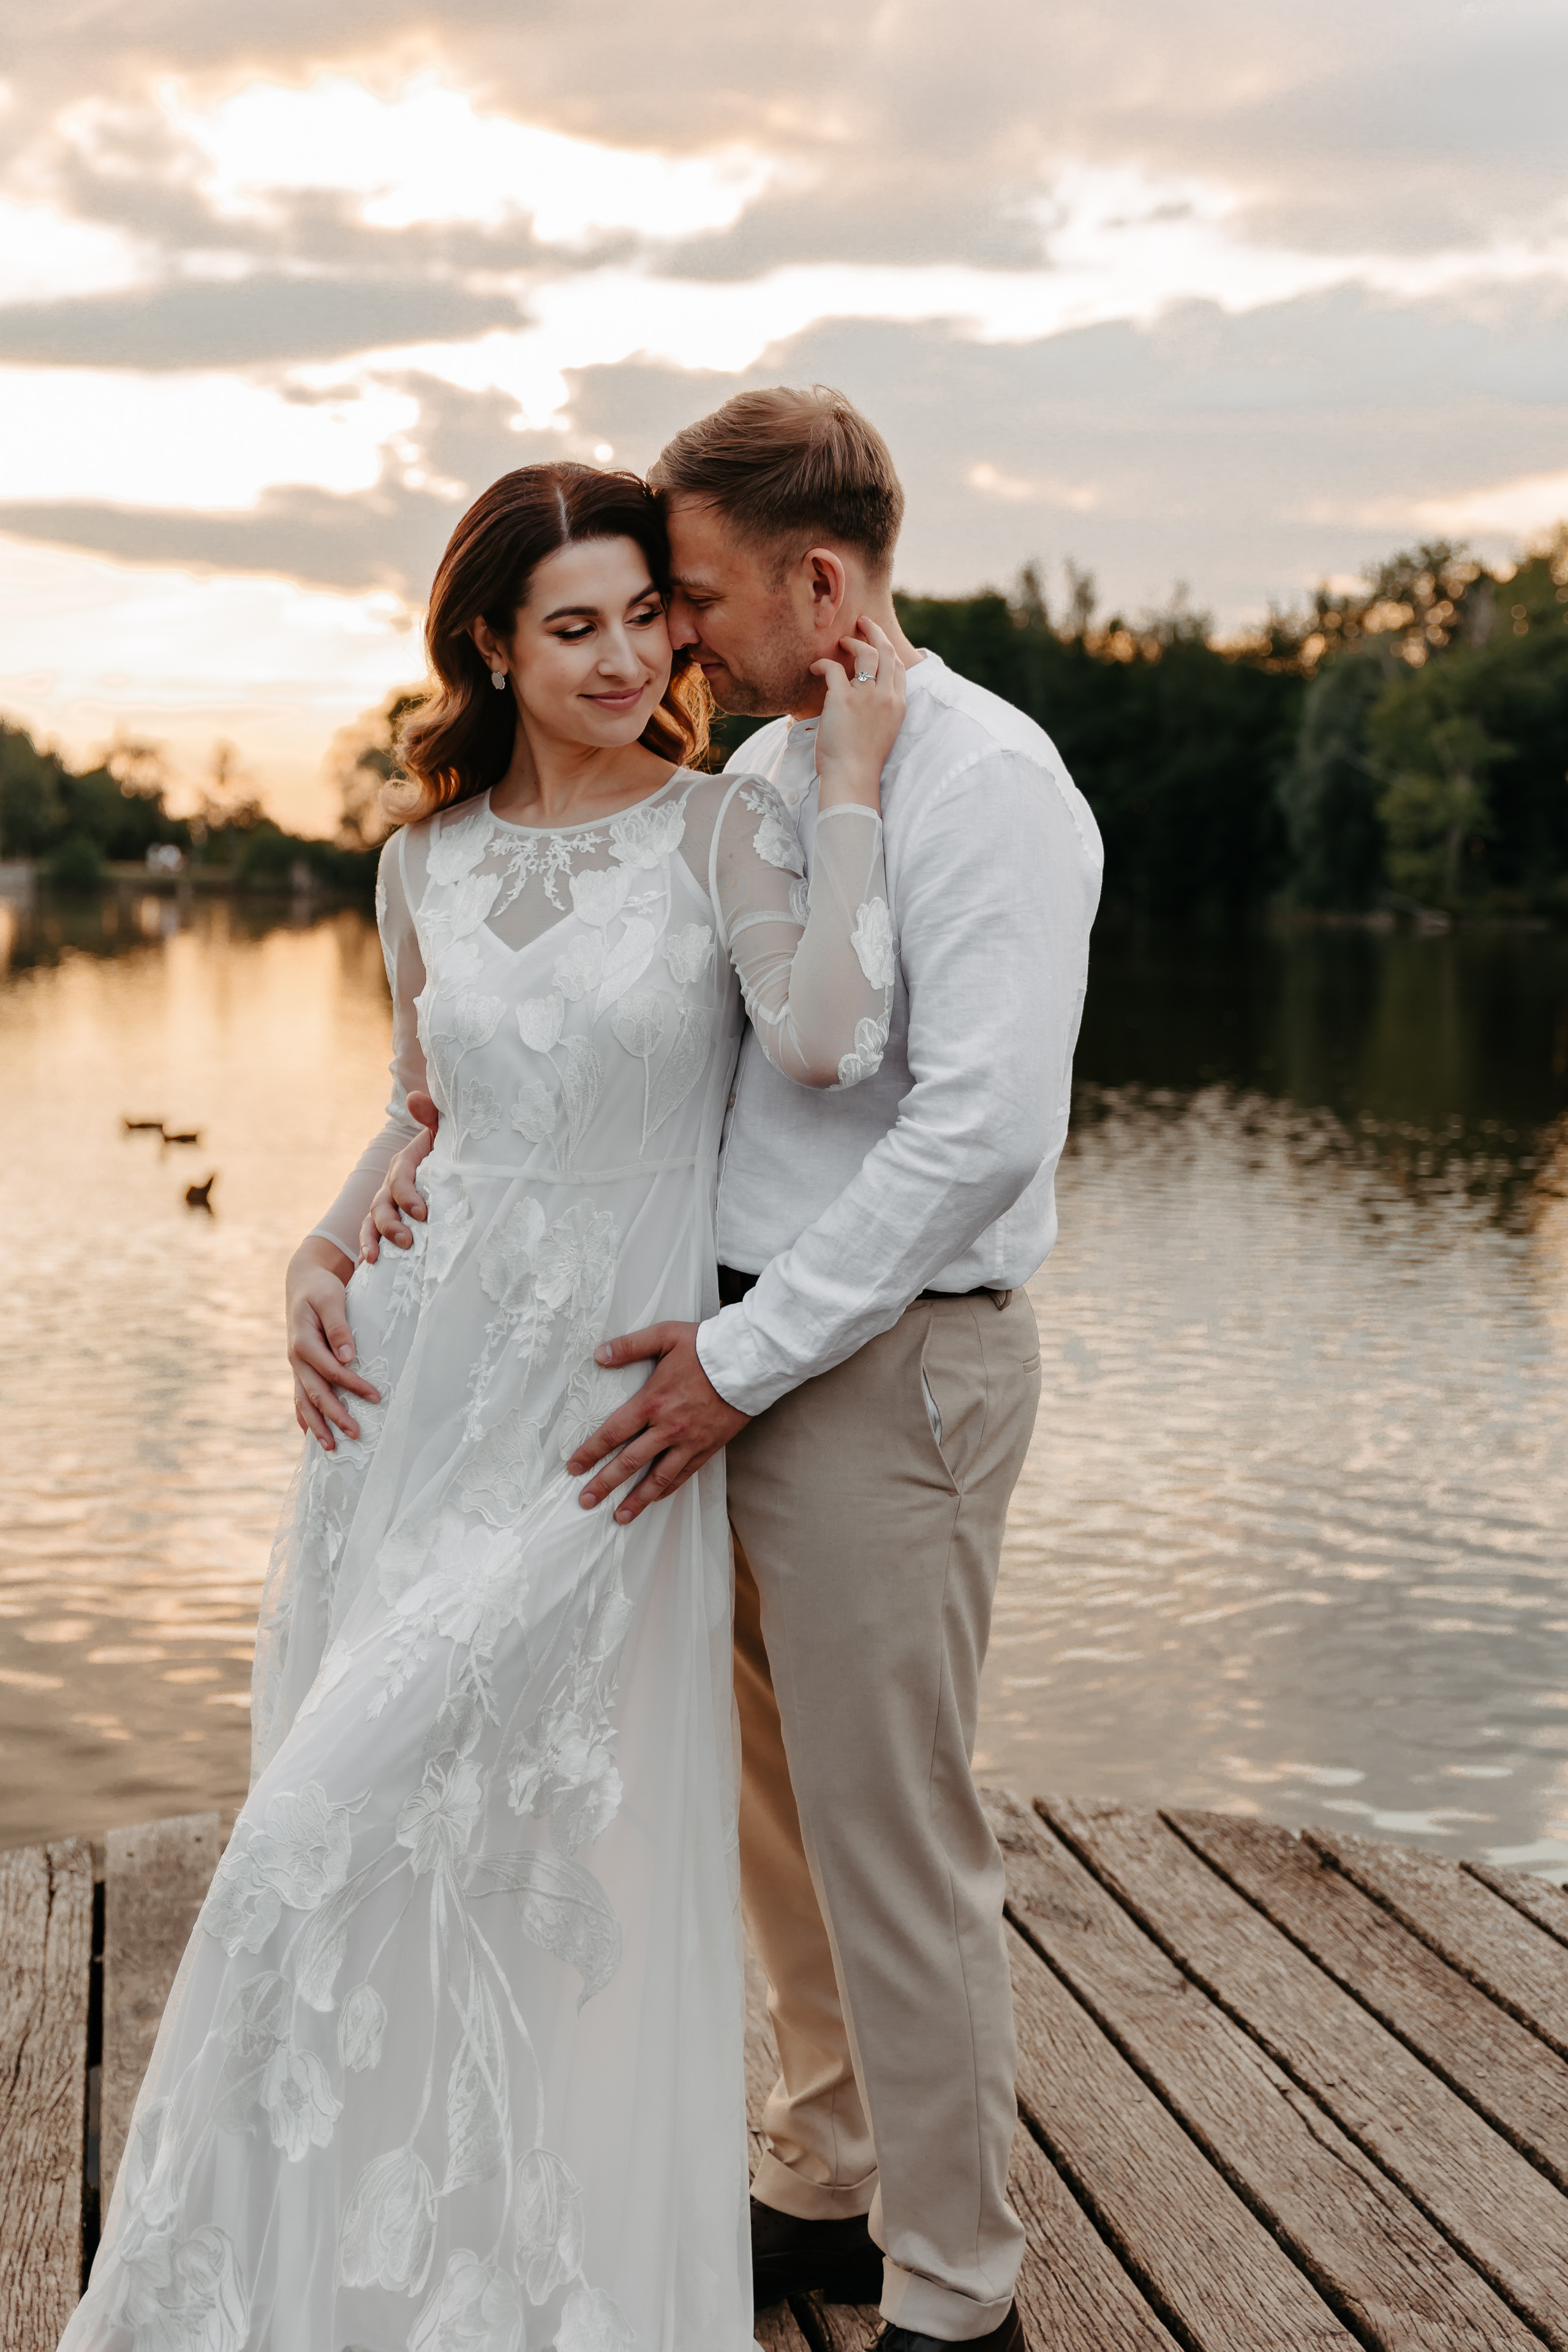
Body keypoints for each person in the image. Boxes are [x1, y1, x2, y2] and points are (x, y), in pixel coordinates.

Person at [62, 460, 907, 2352]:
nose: (627, 657)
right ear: (492, 649)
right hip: (405, 1407)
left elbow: (831, 1035)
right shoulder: (420, 861)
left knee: (411, 1849)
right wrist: (313, 1251)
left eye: (643, 616)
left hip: (601, 1433)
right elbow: (414, 1114)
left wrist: (844, 793)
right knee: (389, 1850)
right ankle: (370, 2290)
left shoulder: (722, 834)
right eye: (574, 627)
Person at [366, 389, 1103, 2352]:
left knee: (894, 1834)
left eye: (690, 599)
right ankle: (824, 2181)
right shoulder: (782, 764)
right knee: (778, 1819)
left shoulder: (989, 784)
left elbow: (977, 1138)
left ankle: (959, 2291)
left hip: (879, 1372)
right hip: (736, 1362)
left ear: (822, 580)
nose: (673, 641)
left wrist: (750, 1357)